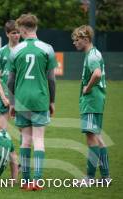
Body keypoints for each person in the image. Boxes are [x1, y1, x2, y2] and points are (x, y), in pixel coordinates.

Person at [7, 14, 57, 191]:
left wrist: (12, 103)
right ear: (35, 28)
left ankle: (26, 180)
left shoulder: (15, 50)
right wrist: (52, 101)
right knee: (39, 139)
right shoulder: (48, 49)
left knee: (25, 140)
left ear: (22, 29)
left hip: (21, 100)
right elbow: (51, 80)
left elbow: (10, 81)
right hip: (40, 99)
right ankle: (37, 180)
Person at [72, 25, 110, 184]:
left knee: (91, 138)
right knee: (98, 138)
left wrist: (87, 88)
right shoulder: (93, 54)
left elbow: (97, 74)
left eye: (77, 40)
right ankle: (106, 177)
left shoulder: (93, 56)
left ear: (86, 39)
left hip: (92, 101)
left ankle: (90, 177)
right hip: (96, 100)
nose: (74, 43)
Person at [0, 20, 20, 130]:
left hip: (21, 96)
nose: (17, 35)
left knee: (23, 130)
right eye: (13, 33)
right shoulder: (0, 52)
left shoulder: (24, 51)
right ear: (7, 34)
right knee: (1, 129)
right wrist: (3, 97)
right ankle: (6, 148)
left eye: (18, 32)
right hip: (5, 97)